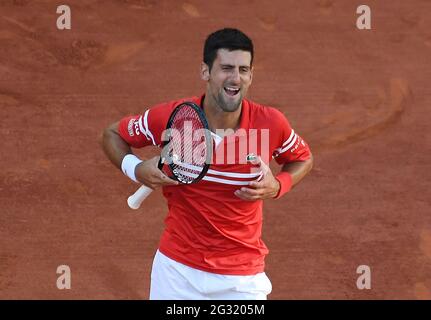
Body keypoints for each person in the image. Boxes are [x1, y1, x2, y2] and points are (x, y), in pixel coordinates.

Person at [102, 28, 313, 300]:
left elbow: (302, 158)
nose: (235, 78)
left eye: (243, 70)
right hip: (176, 272)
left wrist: (277, 184)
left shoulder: (270, 124)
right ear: (205, 72)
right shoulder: (173, 118)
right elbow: (113, 134)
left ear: (251, 75)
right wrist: (136, 169)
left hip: (241, 280)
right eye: (226, 68)